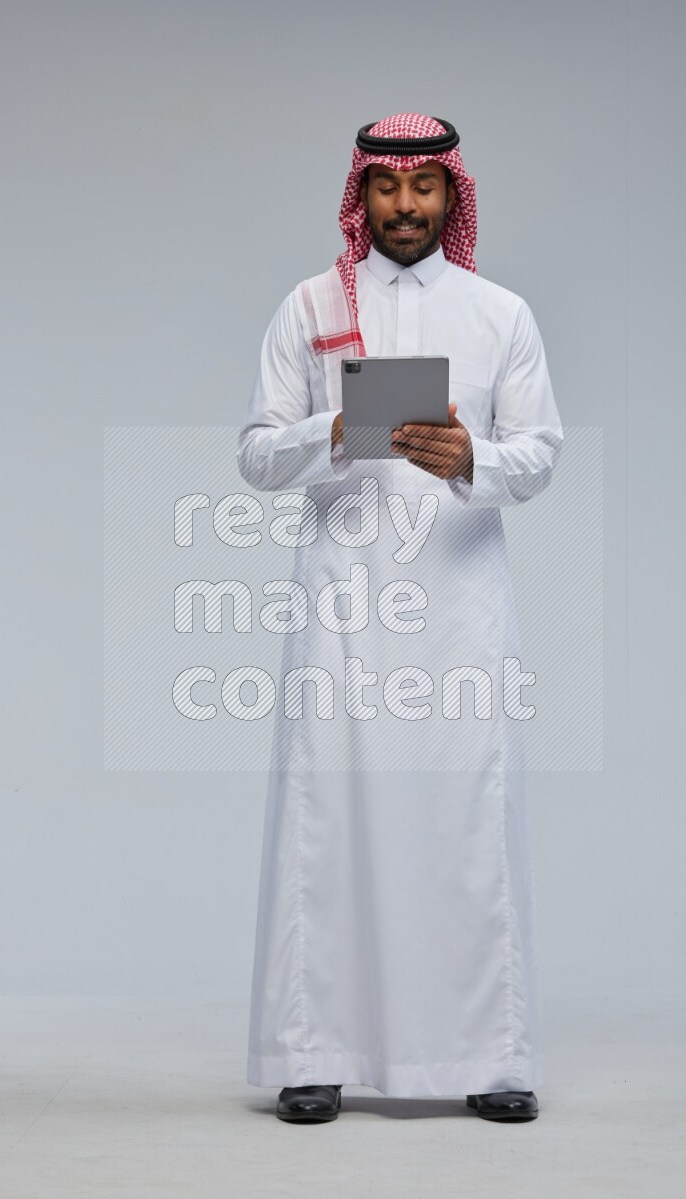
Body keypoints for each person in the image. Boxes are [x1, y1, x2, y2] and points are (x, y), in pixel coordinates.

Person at [237, 113, 563, 1124]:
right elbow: (254, 456)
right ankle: (313, 1050)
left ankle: (489, 1054)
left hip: (460, 614)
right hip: (341, 606)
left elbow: (541, 451)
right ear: (360, 195)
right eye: (387, 187)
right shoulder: (307, 306)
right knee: (327, 822)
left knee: (465, 818)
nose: (406, 205)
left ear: (451, 196)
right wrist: (332, 429)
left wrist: (473, 460)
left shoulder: (499, 313)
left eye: (425, 186)